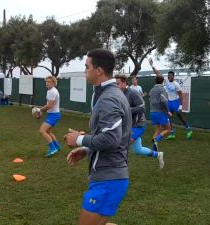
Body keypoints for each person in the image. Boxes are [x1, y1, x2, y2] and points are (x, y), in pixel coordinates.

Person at [64, 49, 132, 225]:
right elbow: (105, 134)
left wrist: (78, 139)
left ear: (99, 70)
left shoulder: (109, 98)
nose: (85, 70)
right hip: (106, 176)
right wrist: (87, 149)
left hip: (109, 178)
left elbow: (111, 139)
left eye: (87, 67)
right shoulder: (105, 94)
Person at [115, 74, 164, 168]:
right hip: (127, 125)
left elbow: (142, 108)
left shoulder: (133, 92)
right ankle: (158, 155)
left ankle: (118, 168)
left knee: (122, 144)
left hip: (138, 125)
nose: (116, 86)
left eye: (118, 84)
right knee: (138, 150)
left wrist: (127, 109)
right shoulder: (118, 94)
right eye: (115, 84)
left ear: (124, 83)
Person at [149, 58, 193, 140]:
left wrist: (180, 106)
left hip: (175, 102)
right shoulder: (165, 81)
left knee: (180, 115)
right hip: (168, 102)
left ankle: (188, 129)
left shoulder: (176, 84)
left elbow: (181, 95)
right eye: (168, 75)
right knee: (168, 118)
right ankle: (172, 133)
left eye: (170, 76)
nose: (169, 77)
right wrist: (152, 66)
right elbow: (158, 73)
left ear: (173, 76)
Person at [36, 76, 61, 157]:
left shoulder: (52, 91)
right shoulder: (50, 91)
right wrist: (42, 110)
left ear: (53, 83)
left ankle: (53, 149)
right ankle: (57, 146)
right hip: (53, 114)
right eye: (46, 81)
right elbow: (48, 106)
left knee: (42, 131)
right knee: (48, 132)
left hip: (54, 115)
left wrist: (39, 110)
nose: (47, 83)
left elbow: (49, 105)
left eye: (49, 81)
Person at [149, 75, 172, 152]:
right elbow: (163, 101)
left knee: (158, 129)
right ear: (162, 82)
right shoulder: (162, 89)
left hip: (152, 112)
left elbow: (150, 99)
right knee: (168, 129)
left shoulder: (152, 90)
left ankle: (154, 147)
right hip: (160, 112)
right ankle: (156, 139)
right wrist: (168, 111)